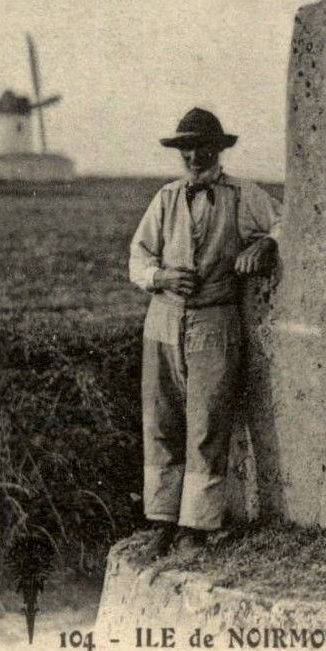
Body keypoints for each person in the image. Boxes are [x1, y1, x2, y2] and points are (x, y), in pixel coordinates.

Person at [127, 107, 281, 558]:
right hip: (162, 320)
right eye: (186, 148)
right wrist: (160, 278)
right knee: (161, 421)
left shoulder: (242, 194)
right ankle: (161, 521)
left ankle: (196, 527)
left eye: (203, 148)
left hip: (214, 322)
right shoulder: (166, 198)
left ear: (218, 151)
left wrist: (266, 243)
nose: (194, 156)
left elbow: (285, 223)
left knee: (207, 424)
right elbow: (138, 258)